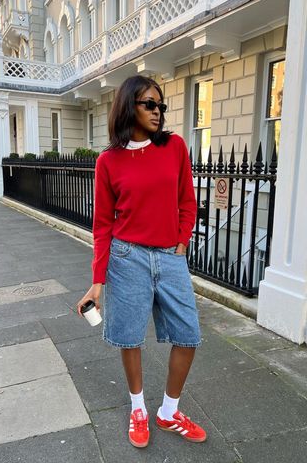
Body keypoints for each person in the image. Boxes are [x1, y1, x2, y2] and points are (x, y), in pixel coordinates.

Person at [77, 75, 207, 448]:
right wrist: (98, 281)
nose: (157, 111)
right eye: (149, 103)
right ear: (128, 106)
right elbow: (102, 225)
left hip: (170, 258)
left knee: (188, 335)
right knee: (129, 337)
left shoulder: (175, 147)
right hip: (127, 257)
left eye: (160, 105)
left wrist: (181, 240)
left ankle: (168, 411)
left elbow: (187, 200)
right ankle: (138, 409)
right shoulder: (108, 161)